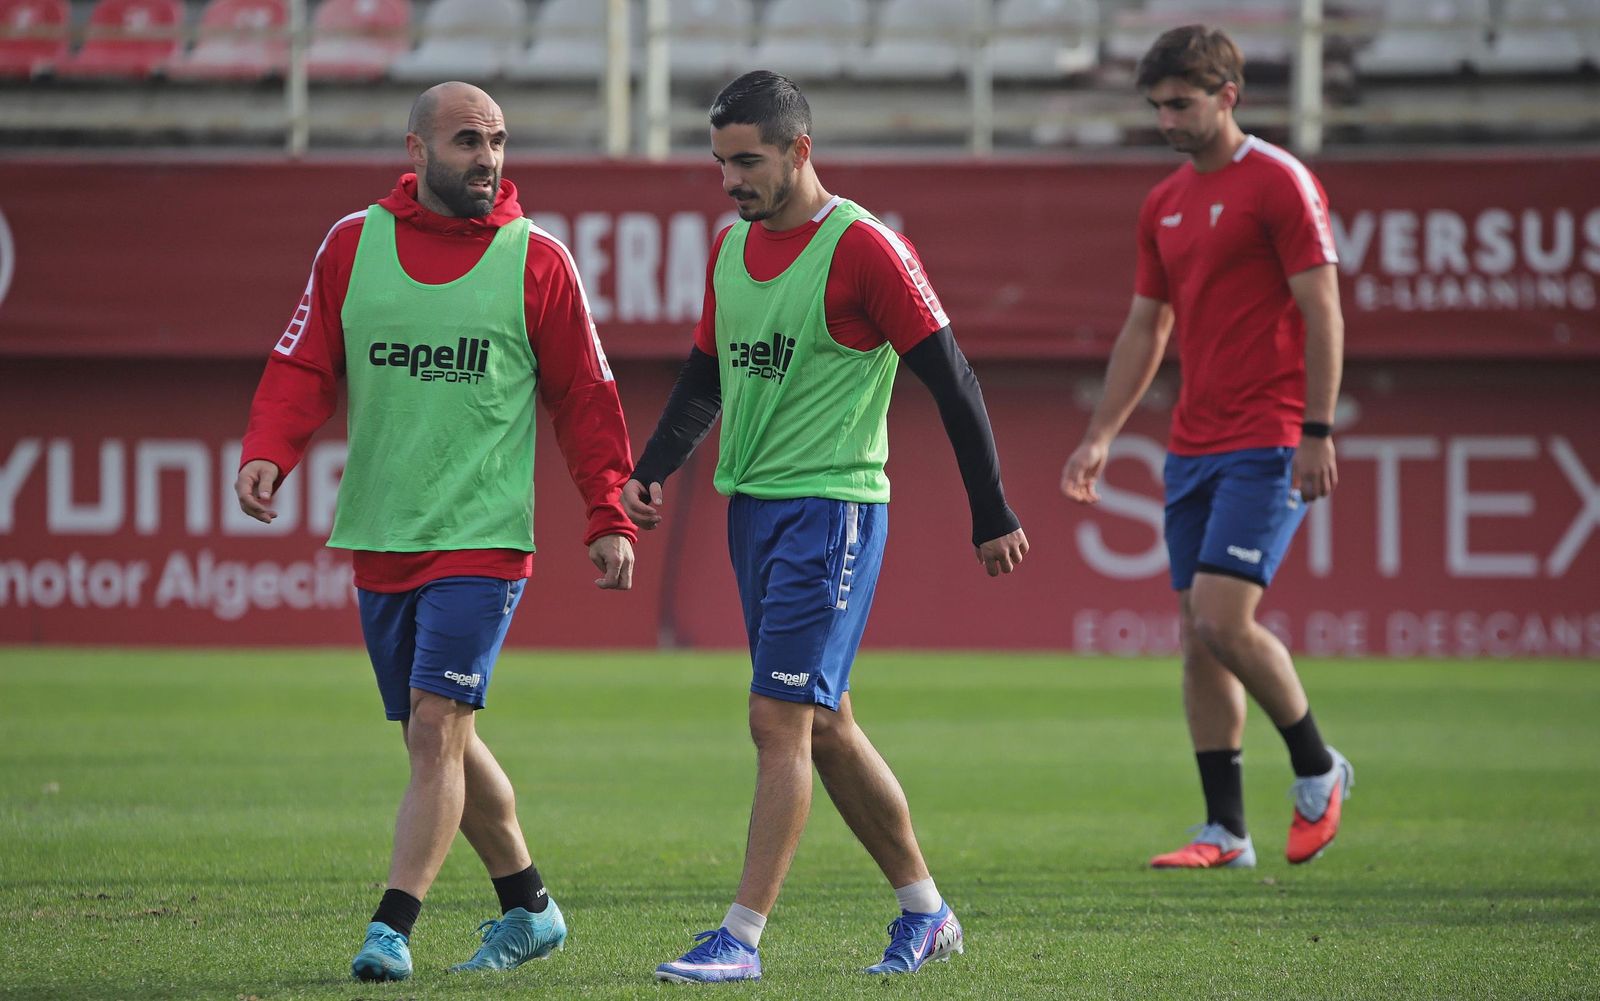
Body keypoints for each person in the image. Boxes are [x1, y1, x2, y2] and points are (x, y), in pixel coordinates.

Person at [623, 71, 1029, 983]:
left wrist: (991, 508)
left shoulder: (864, 249)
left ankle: (740, 935)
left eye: (748, 160)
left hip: (831, 510)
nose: (730, 179)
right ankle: (927, 911)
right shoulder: (732, 251)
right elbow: (704, 379)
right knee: (826, 722)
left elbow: (953, 380)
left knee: (777, 718)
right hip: (753, 509)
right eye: (721, 161)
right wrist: (652, 467)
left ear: (800, 150)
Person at [234, 82, 637, 982]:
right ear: (414, 151)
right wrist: (271, 447)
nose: (488, 158)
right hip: (382, 534)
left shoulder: (539, 261)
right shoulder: (352, 244)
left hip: (484, 539)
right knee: (440, 737)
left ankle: (392, 925)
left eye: (498, 140)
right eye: (466, 141)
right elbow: (305, 359)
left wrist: (608, 511)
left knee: (434, 727)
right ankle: (530, 907)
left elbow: (587, 399)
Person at [1061, 26, 1352, 870]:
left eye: (1180, 103)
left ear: (1230, 95)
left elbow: (1324, 311)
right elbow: (1147, 326)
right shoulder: (1164, 202)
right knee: (1197, 634)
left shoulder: (1281, 185)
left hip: (1269, 436)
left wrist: (1317, 428)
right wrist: (1101, 436)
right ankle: (1226, 830)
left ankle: (1317, 766)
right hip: (1192, 442)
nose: (1166, 120)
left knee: (1226, 619)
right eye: (1156, 106)